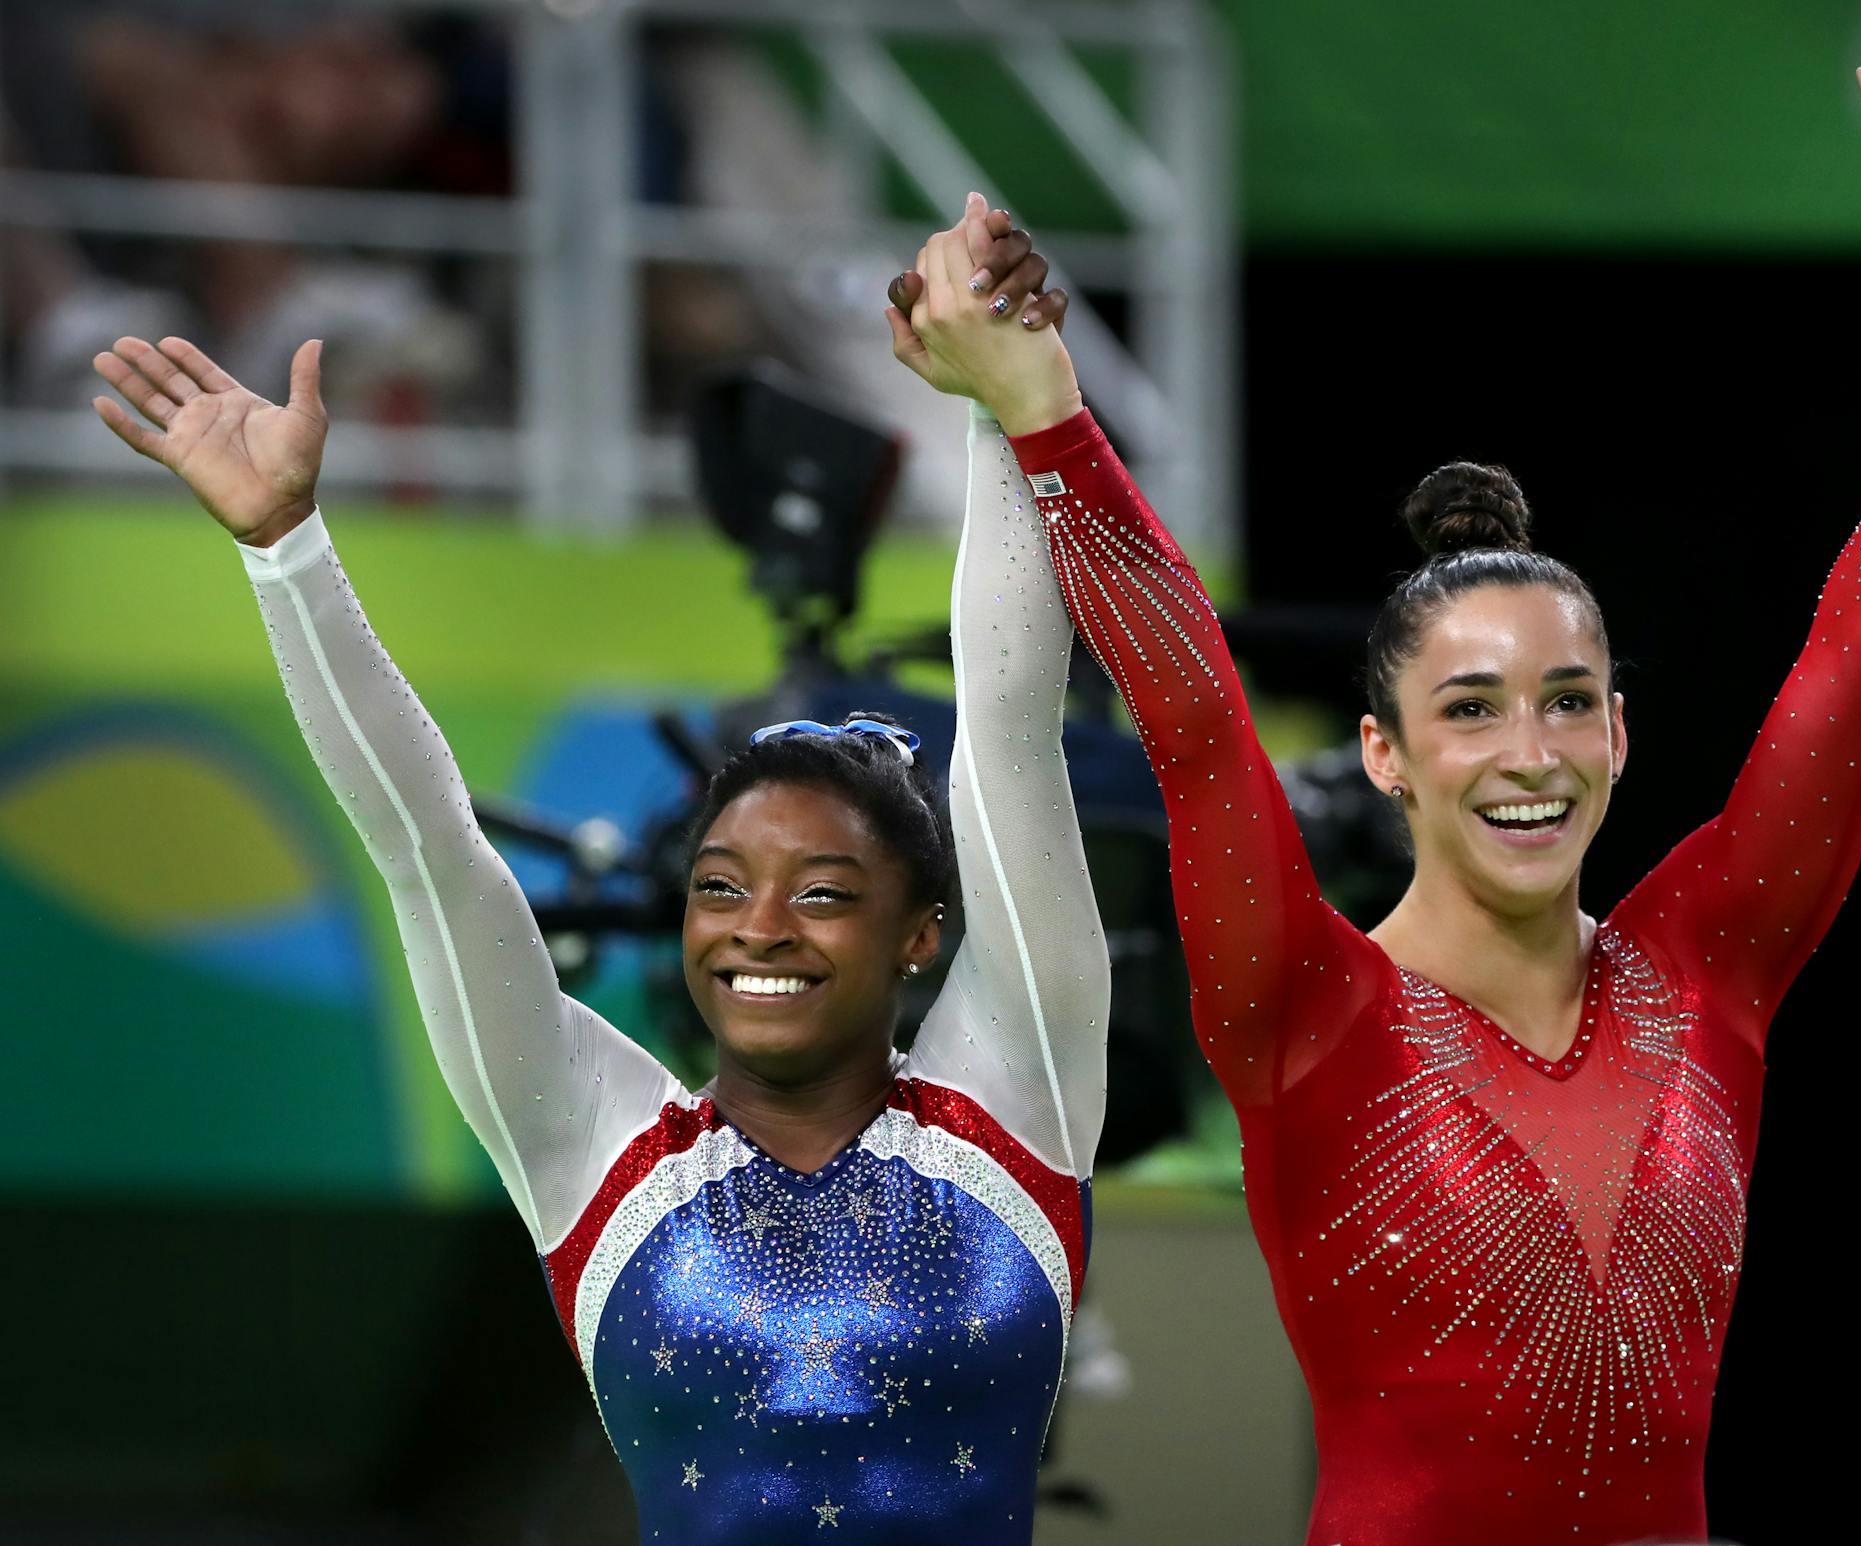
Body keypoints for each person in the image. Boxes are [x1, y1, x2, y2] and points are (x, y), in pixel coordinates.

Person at [885, 42, 1861, 1544]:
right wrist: (1044, 409)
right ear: (1386, 754)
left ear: (1621, 734)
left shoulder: (1712, 968)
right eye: (1471, 709)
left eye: (1569, 702)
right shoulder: (1305, 1007)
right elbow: (1192, 719)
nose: (1530, 752)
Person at [89, 213, 1106, 1545]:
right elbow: (429, 852)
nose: (759, 929)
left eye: (823, 893)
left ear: (924, 935)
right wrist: (287, 549)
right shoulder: (604, 1155)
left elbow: (1011, 726)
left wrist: (1004, 405)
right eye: (722, 884)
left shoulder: (1009, 1107)